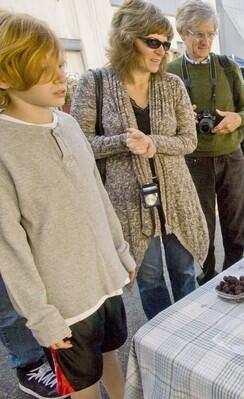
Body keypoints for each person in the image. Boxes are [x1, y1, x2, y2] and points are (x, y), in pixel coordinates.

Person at [0, 11, 137, 398]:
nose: (60, 76)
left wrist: (120, 252)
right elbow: (9, 248)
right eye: (43, 69)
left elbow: (98, 196)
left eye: (59, 64)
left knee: (112, 354)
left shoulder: (70, 125)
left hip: (105, 281)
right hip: (65, 304)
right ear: (5, 76)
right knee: (83, 383)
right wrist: (41, 316)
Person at [72, 0, 209, 319]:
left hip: (176, 198)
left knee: (185, 273)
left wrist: (153, 143)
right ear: (126, 38)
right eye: (152, 42)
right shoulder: (95, 83)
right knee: (150, 281)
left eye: (165, 43)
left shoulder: (172, 85)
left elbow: (189, 140)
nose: (161, 50)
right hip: (130, 205)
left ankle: (191, 329)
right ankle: (162, 340)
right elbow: (79, 144)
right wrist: (123, 142)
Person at [167, 0, 244, 285]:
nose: (205, 41)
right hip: (193, 162)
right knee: (201, 227)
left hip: (231, 157)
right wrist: (181, 119)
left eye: (210, 34)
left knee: (234, 225)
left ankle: (235, 276)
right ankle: (207, 281)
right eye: (198, 33)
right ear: (182, 32)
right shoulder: (170, 72)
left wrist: (236, 119)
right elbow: (161, 122)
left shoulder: (228, 66)